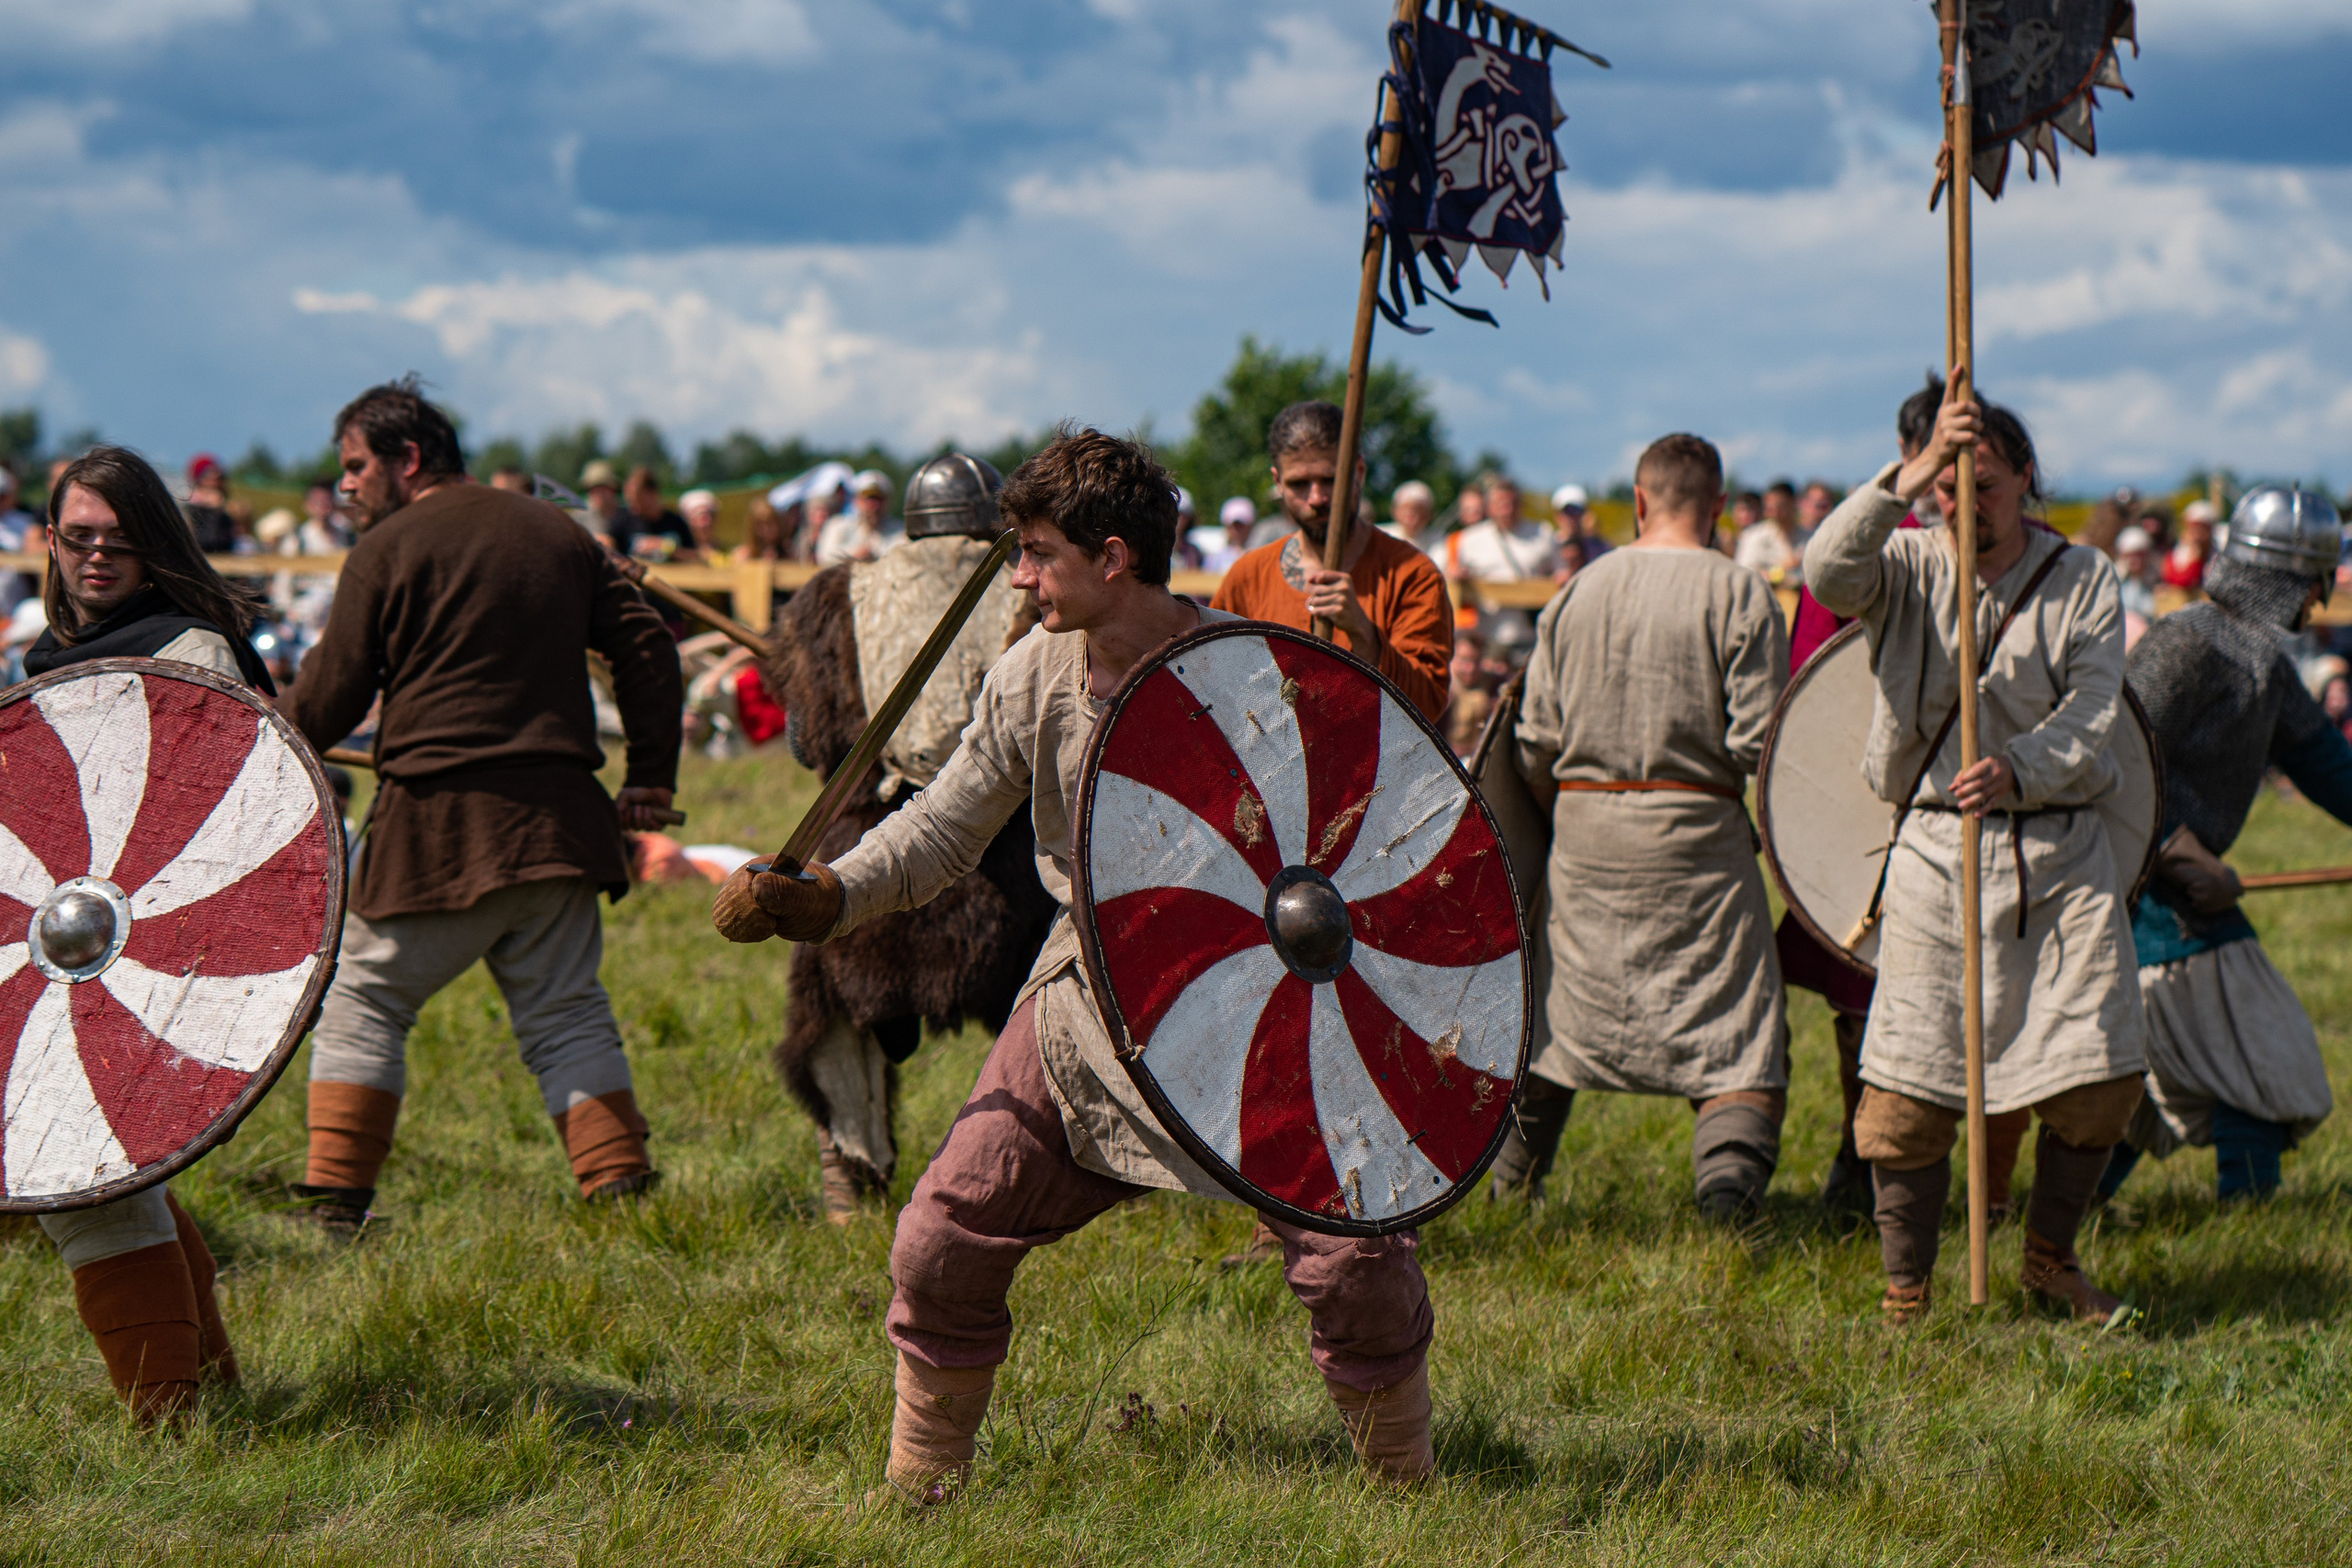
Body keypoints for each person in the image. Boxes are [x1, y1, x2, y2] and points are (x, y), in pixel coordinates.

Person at [713, 427, 1440, 1496]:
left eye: (1037, 554)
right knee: (942, 1236)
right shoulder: (1032, 675)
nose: (1017, 576)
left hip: (1260, 1001)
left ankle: (1405, 1493)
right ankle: (920, 1495)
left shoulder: (1249, 673)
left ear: (1112, 558)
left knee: (1357, 1262)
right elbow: (941, 828)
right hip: (1089, 999)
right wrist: (829, 896)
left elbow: (1367, 835)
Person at [284, 378, 684, 1232]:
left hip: (437, 830)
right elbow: (648, 644)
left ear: (408, 459)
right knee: (566, 1010)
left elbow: (326, 700)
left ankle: (334, 1206)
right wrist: (650, 776)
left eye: (355, 466)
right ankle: (619, 1190)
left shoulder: (384, 550)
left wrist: (265, 738)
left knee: (364, 998)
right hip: (558, 828)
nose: (345, 484)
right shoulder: (559, 533)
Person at [1805, 388, 2146, 1325]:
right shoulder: (1904, 561)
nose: (1966, 502)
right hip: (1933, 852)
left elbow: (2095, 709)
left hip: (2058, 855)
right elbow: (1825, 573)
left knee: (2099, 1073)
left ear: (2025, 478)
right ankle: (1906, 1291)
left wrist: (2020, 768)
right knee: (1906, 1091)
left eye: (1985, 483)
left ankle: (2048, 1262)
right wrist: (1908, 476)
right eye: (1950, 487)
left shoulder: (2082, 577)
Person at [20, 445, 275, 1420]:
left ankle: (170, 1425)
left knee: (89, 1183)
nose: (96, 556)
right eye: (79, 537)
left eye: (118, 540)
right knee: (120, 1178)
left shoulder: (192, 654)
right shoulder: (46, 666)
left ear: (153, 543)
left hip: (165, 957)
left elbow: (231, 826)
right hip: (63, 958)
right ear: (50, 541)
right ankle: (205, 1389)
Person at [1494, 434, 1792, 1217]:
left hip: (1585, 835)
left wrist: (1576, 812)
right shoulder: (1740, 591)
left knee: (1557, 1023)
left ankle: (1509, 1190)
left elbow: (1534, 742)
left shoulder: (1578, 591)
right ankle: (1727, 1199)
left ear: (1637, 500)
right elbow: (1764, 743)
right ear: (1718, 505)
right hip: (1700, 842)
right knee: (1737, 1031)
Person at [755, 450, 1054, 1222]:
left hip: (867, 860)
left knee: (826, 996)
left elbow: (809, 746)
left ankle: (851, 1172)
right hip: (1007, 867)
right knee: (1048, 1009)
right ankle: (1041, 1173)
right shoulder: (1032, 587)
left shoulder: (834, 599)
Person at [2104, 489, 2350, 1204]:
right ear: (2291, 579)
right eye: (2313, 580)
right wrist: (2174, 851)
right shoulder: (2188, 642)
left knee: (2147, 1082)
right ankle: (2249, 1209)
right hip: (2147, 893)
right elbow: (2113, 763)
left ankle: (2072, 1213)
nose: (2319, 597)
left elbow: (2329, 766)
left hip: (2182, 893)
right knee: (2261, 1044)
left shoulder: (2263, 662)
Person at [1209, 400, 1453, 723]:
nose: (1317, 498)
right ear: (1278, 482)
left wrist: (1364, 635)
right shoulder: (1248, 577)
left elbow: (1428, 704)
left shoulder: (1412, 574)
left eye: (1330, 480)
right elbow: (1211, 687)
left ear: (1359, 472)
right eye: (1299, 484)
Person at [816, 470, 905, 565]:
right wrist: (854, 554)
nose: (874, 506)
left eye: (879, 499)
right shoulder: (838, 525)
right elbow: (824, 556)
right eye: (868, 499)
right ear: (856, 500)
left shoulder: (900, 531)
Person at [1733, 479, 1807, 582]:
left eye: (1781, 507)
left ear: (1794, 503)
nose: (1776, 513)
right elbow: (1743, 572)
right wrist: (1777, 573)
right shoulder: (1752, 536)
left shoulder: (1809, 538)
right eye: (1772, 507)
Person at [618, 467, 694, 559]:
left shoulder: (677, 522)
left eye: (637, 500)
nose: (632, 507)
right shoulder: (623, 522)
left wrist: (665, 546)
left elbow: (695, 556)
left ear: (652, 494)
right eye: (629, 501)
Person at [1444, 625, 1491, 756]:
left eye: (1476, 661)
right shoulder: (1440, 691)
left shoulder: (1493, 688)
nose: (1470, 668)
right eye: (1464, 660)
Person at [182, 453, 237, 554]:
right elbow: (205, 540)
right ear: (200, 479)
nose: (219, 482)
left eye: (221, 477)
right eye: (214, 478)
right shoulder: (191, 505)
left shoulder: (228, 505)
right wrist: (214, 509)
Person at [2112, 525, 2157, 644]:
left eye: (2139, 555)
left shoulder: (2157, 583)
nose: (2135, 560)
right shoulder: (2114, 585)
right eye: (2130, 555)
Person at [2165, 500, 2217, 590]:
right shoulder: (2176, 555)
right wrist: (2195, 559)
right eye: (2195, 528)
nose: (2199, 534)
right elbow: (2179, 581)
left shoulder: (2219, 554)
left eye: (2203, 528)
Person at [1382, 479, 1439, 556]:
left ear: (1429, 514)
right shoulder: (1380, 537)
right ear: (1395, 511)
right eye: (1405, 510)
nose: (1412, 517)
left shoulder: (1441, 542)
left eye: (1418, 510)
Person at [579, 459, 625, 542]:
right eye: (594, 488)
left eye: (603, 488)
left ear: (613, 489)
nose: (599, 493)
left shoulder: (628, 517)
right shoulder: (580, 519)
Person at [679, 489, 720, 561]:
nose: (707, 523)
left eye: (711, 516)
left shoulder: (726, 550)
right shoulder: (677, 553)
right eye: (700, 517)